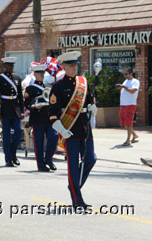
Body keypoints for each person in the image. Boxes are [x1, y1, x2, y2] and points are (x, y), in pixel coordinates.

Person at [49, 51, 97, 209]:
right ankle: (77, 199)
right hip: (69, 128)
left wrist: (93, 106)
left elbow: (89, 100)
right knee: (73, 165)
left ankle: (74, 186)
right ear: (63, 66)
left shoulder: (83, 82)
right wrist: (61, 130)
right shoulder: (58, 87)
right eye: (70, 65)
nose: (74, 67)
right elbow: (53, 114)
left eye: (75, 65)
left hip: (85, 127)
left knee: (91, 159)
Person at [24, 64, 58, 172]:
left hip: (48, 118)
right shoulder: (30, 88)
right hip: (37, 118)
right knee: (38, 143)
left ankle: (49, 159)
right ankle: (41, 164)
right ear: (34, 74)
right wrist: (34, 107)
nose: (42, 75)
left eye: (43, 73)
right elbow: (27, 103)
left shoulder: (47, 87)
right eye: (39, 73)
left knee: (54, 137)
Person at [0, 57, 24, 167]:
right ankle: (8, 158)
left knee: (19, 131)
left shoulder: (17, 78)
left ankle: (13, 154)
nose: (11, 67)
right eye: (9, 66)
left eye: (12, 66)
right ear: (5, 66)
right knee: (6, 135)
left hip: (15, 109)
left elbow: (20, 95)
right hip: (5, 109)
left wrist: (22, 110)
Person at [117, 67, 140, 146]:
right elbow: (124, 91)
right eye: (124, 74)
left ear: (131, 73)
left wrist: (124, 87)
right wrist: (121, 88)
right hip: (123, 104)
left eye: (126, 74)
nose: (125, 75)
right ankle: (134, 135)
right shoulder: (125, 81)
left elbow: (133, 91)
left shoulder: (135, 81)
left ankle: (128, 140)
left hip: (130, 104)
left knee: (129, 123)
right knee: (124, 123)